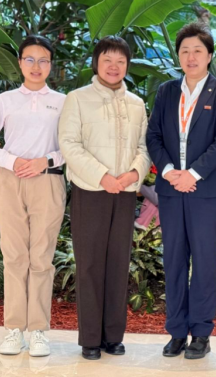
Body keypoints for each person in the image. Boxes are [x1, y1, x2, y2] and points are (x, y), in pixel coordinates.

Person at [146, 22, 216, 360]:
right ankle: (175, 332)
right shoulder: (167, 91)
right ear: (179, 56)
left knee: (204, 261)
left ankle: (200, 333)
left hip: (206, 191)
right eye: (185, 50)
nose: (191, 56)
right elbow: (153, 136)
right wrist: (169, 172)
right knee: (173, 260)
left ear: (209, 55)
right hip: (172, 190)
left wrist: (193, 174)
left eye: (198, 50)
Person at [58, 36, 151, 360]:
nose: (114, 67)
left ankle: (113, 336)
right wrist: (102, 176)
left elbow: (144, 147)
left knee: (118, 263)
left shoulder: (136, 104)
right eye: (107, 60)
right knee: (89, 265)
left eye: (120, 61)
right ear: (96, 63)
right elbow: (69, 144)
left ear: (127, 65)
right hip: (91, 191)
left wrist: (133, 174)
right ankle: (90, 339)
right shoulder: (77, 99)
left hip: (124, 193)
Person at [0, 35, 66, 357]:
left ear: (51, 65)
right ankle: (14, 329)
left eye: (43, 60)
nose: (36, 66)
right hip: (10, 181)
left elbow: (73, 144)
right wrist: (12, 161)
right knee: (14, 256)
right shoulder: (6, 100)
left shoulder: (63, 102)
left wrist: (47, 160)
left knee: (41, 257)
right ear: (20, 63)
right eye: (30, 59)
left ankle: (38, 330)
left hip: (47, 183)